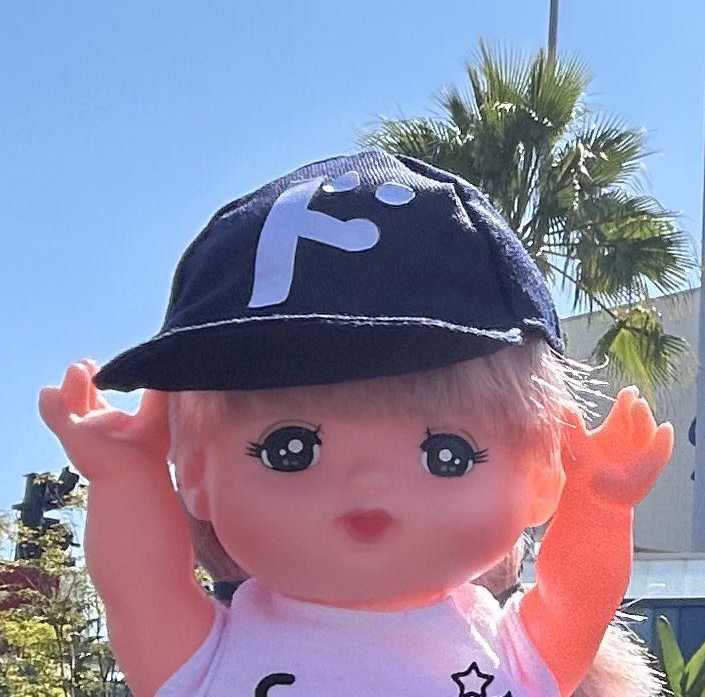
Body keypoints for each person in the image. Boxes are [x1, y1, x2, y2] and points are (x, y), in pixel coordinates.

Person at [38, 151, 672, 697]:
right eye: (289, 449)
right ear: (197, 472)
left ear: (540, 476)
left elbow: (576, 602)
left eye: (447, 455)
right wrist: (125, 476)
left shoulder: (507, 653)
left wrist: (599, 505)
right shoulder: (206, 656)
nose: (368, 482)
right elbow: (139, 587)